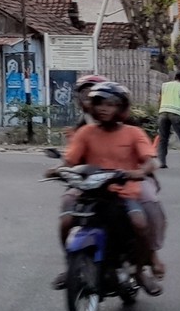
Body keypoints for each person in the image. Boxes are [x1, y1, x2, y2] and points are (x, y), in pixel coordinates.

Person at [50, 81, 165, 295]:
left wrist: (141, 171)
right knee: (66, 219)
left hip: (123, 190)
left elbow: (149, 159)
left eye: (111, 104)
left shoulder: (133, 132)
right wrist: (58, 169)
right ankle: (70, 266)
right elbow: (70, 160)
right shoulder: (86, 133)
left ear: (120, 108)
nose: (104, 108)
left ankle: (139, 271)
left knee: (139, 224)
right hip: (89, 189)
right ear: (92, 106)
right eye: (99, 103)